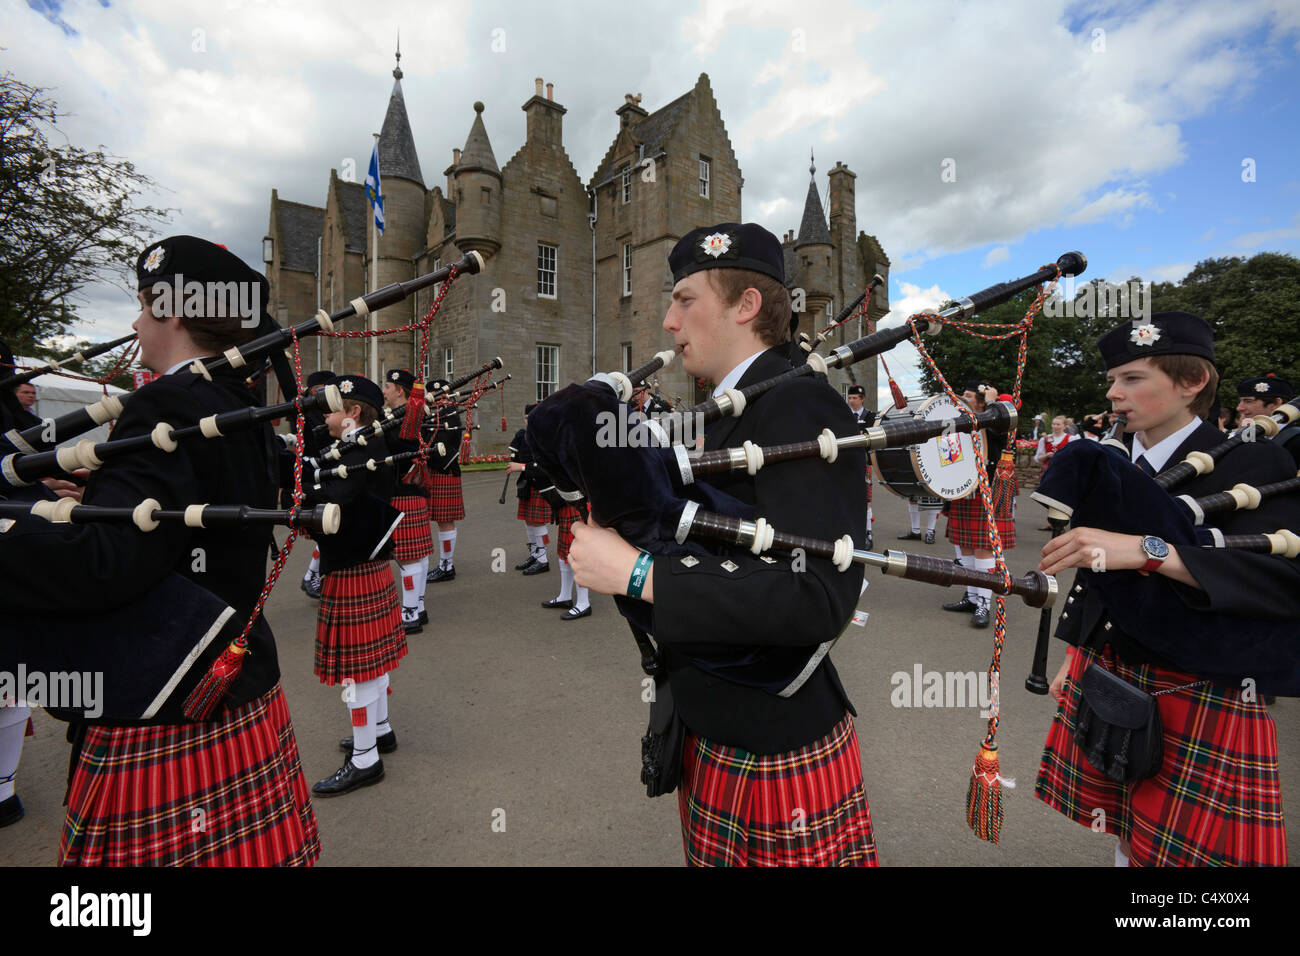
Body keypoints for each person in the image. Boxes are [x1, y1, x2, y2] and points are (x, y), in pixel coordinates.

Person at [0, 235, 319, 864]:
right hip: (231, 672)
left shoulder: (168, 401)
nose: (137, 321)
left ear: (174, 310)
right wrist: (102, 492)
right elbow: (186, 514)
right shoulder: (236, 402)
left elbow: (105, 564)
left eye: (146, 304)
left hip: (164, 690)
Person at [568, 222, 875, 867]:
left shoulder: (796, 406)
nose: (669, 322)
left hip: (772, 742)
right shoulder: (740, 405)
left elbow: (818, 595)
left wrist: (640, 574)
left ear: (746, 306)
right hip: (720, 717)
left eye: (684, 300)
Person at [1035, 311, 1297, 866]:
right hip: (1113, 667)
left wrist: (1157, 552)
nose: (1114, 394)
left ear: (1192, 383)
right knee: (1127, 830)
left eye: (1132, 379)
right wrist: (1079, 653)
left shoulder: (1254, 461)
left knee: (1180, 854)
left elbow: (1283, 581)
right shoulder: (1120, 460)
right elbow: (1099, 567)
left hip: (1198, 684)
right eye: (1112, 380)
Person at [307, 373, 408, 796]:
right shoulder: (357, 444)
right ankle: (380, 731)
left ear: (352, 412)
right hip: (364, 564)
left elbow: (333, 502)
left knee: (359, 671)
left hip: (353, 564)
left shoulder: (361, 446)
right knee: (372, 663)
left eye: (331, 408)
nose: (324, 416)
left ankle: (366, 759)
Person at [942, 381, 1016, 628]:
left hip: (987, 487)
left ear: (981, 401)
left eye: (968, 396)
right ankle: (972, 598)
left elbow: (1002, 428)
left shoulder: (994, 419)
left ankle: (984, 602)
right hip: (963, 487)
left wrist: (993, 402)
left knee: (984, 547)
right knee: (965, 547)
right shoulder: (957, 421)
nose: (962, 398)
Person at [382, 368, 433, 633]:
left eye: (387, 386)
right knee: (417, 557)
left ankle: (410, 613)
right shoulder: (404, 415)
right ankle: (418, 607)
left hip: (403, 492)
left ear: (400, 390)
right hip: (412, 493)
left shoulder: (409, 416)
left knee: (409, 558)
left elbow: (402, 448)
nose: (384, 391)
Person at [424, 380, 468, 583]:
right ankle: (445, 564)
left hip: (444, 469)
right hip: (433, 470)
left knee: (445, 521)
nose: (438, 400)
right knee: (441, 521)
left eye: (441, 396)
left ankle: (446, 565)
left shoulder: (450, 414)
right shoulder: (431, 414)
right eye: (434, 396)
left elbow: (444, 445)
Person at [300, 369, 337, 599]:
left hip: (324, 473)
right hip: (315, 475)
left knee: (330, 529)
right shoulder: (311, 413)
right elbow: (321, 440)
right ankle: (312, 576)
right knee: (326, 531)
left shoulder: (317, 411)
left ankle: (311, 576)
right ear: (315, 390)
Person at [507, 405, 552, 575]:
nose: (528, 421)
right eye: (526, 418)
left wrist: (521, 466)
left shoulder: (546, 438)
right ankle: (534, 554)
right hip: (527, 484)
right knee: (529, 520)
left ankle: (543, 559)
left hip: (541, 484)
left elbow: (544, 467)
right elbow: (517, 456)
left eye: (531, 418)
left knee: (538, 522)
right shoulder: (523, 435)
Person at [1235, 373, 1299, 469]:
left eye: (1248, 401)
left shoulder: (1296, 440)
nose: (1239, 408)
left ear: (1275, 403)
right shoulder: (1248, 434)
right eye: (1240, 401)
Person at [846, 384, 876, 547]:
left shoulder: (871, 416)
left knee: (865, 499)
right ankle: (852, 531)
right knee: (849, 497)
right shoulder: (843, 415)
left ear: (862, 399)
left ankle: (868, 533)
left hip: (864, 461)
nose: (852, 401)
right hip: (847, 461)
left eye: (855, 398)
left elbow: (872, 435)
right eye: (850, 398)